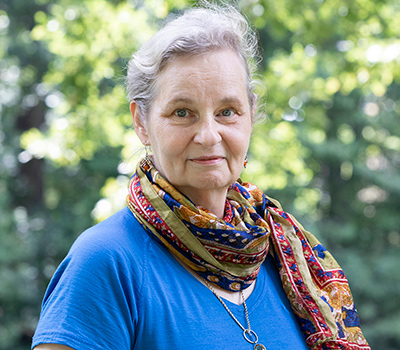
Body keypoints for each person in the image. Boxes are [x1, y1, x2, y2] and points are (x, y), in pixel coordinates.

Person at [32, 3, 370, 350]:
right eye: (182, 112)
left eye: (227, 111)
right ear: (141, 122)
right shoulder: (106, 262)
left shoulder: (285, 258)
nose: (209, 135)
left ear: (251, 115)